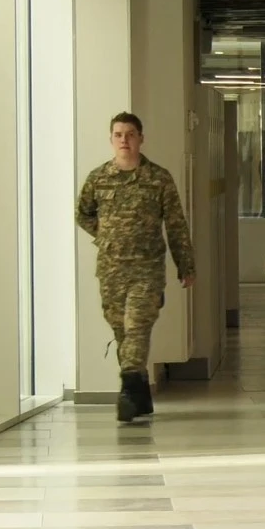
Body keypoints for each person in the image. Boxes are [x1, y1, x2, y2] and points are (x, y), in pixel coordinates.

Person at [76, 112, 196, 424]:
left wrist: (185, 265)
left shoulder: (158, 179)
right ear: (111, 139)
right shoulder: (98, 178)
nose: (124, 140)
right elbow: (83, 213)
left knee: (137, 326)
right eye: (118, 134)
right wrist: (106, 236)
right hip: (111, 270)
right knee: (121, 331)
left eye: (130, 134)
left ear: (141, 138)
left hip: (147, 268)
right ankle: (140, 389)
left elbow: (176, 225)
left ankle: (128, 390)